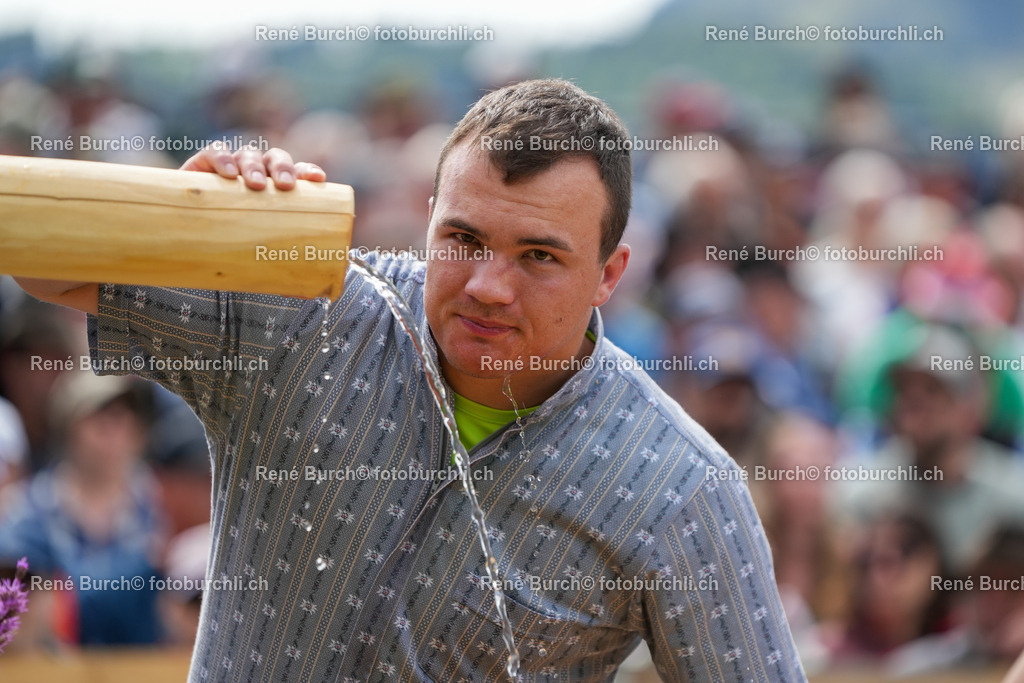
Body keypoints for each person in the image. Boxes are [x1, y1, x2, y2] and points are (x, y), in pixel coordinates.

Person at [14, 79, 805, 681]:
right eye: (463, 238)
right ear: (428, 218)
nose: (488, 286)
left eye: (538, 256)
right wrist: (184, 220)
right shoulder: (307, 313)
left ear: (609, 273)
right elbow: (44, 266)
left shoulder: (678, 486)